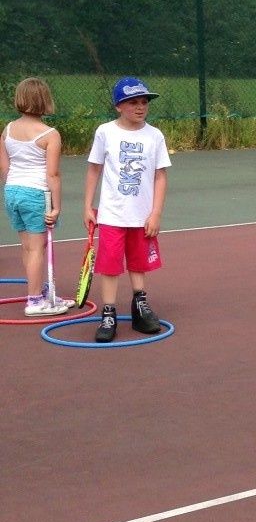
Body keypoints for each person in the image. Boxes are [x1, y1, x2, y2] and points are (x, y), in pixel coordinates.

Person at [84, 77, 171, 343]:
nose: (140, 107)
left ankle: (140, 307)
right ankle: (108, 313)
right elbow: (94, 169)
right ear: (118, 106)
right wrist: (87, 205)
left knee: (138, 262)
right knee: (110, 265)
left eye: (144, 102)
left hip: (141, 215)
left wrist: (156, 212)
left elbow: (160, 176)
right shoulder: (105, 132)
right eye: (133, 102)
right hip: (112, 214)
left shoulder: (154, 135)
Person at [1, 77, 70, 317]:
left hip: (12, 191)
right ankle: (34, 299)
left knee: (28, 247)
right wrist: (56, 207)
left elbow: (4, 168)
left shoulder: (8, 129)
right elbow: (53, 174)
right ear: (45, 101)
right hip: (36, 193)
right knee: (37, 248)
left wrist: (13, 190)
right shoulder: (50, 134)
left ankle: (40, 292)